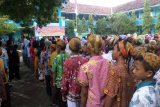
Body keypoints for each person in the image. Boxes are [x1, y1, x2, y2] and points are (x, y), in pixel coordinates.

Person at [78, 34, 110, 107]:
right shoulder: (109, 64)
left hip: (92, 104)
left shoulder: (85, 67)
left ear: (89, 47)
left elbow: (84, 93)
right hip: (107, 103)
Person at [104, 40, 136, 107]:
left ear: (119, 53)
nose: (112, 52)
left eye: (114, 49)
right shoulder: (128, 69)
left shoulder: (114, 70)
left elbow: (110, 96)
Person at [61, 38, 88, 107]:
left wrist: (63, 93)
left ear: (70, 48)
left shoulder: (67, 62)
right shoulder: (86, 60)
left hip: (72, 95)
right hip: (84, 94)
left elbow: (65, 79)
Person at [52, 39, 70, 107]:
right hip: (68, 82)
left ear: (59, 47)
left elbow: (54, 71)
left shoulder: (57, 57)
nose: (56, 48)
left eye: (57, 47)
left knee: (61, 100)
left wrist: (53, 82)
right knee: (67, 101)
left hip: (59, 83)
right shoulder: (69, 56)